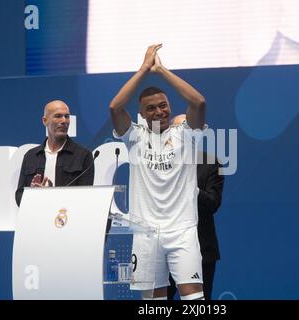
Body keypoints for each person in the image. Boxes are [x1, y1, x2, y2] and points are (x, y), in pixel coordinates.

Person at [110, 44, 206, 300]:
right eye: (151, 108)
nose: (159, 111)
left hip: (182, 230)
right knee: (153, 301)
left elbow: (198, 101)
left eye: (163, 105)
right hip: (145, 233)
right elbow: (115, 108)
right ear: (141, 114)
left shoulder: (185, 133)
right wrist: (143, 69)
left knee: (193, 297)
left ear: (170, 106)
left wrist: (161, 70)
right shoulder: (134, 136)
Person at [167, 115, 224, 300]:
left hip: (200, 250)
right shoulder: (157, 164)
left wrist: (190, 186)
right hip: (163, 249)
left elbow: (212, 203)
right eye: (178, 130)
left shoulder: (212, 163)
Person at [15, 100, 94, 206]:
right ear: (45, 121)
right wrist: (33, 195)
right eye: (58, 116)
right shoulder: (31, 156)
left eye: (67, 116)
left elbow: (85, 198)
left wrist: (51, 196)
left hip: (67, 219)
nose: (64, 121)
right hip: (37, 219)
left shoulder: (83, 155)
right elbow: (19, 196)